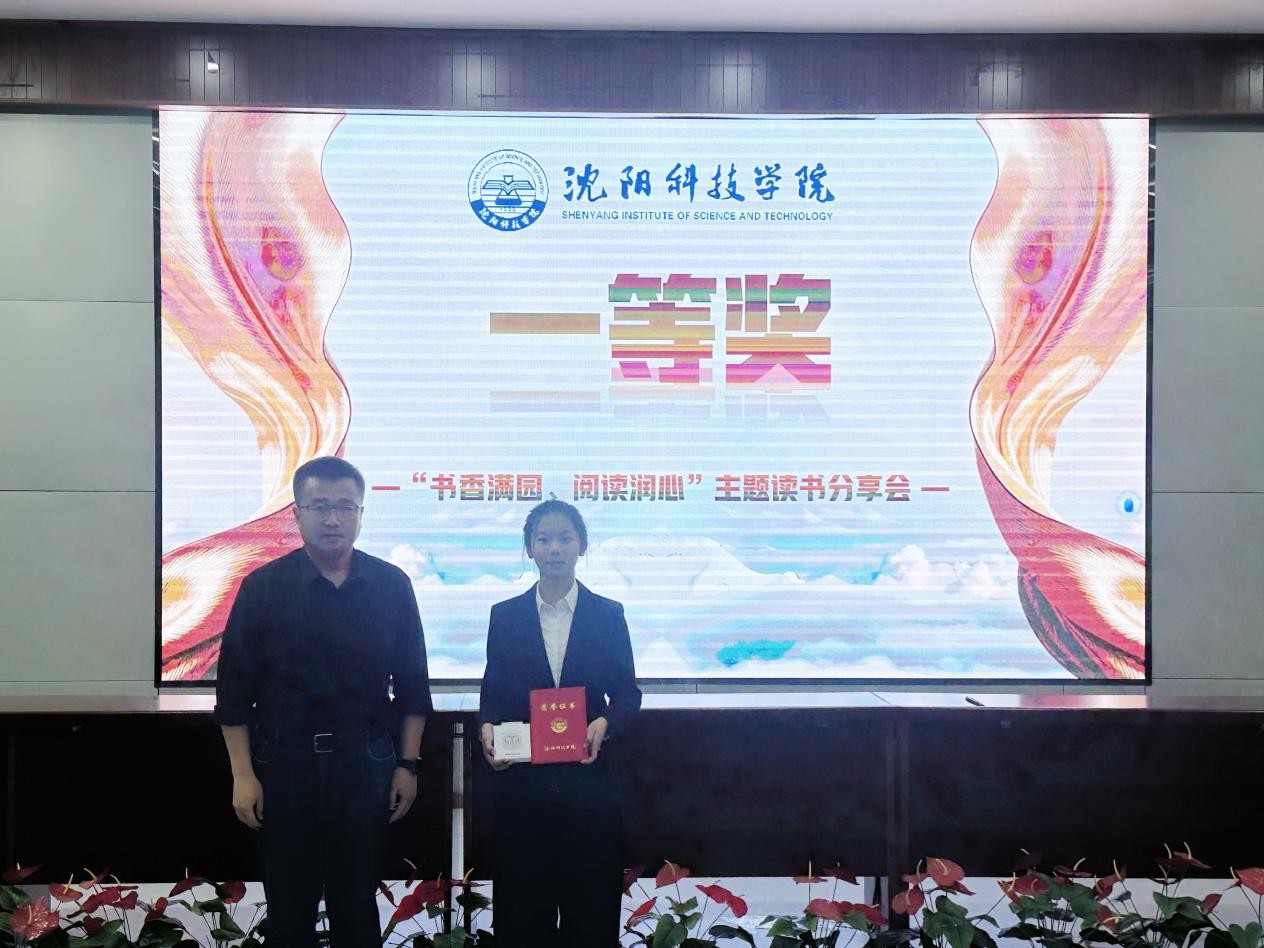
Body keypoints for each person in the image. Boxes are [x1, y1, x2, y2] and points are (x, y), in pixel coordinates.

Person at [214, 456, 433, 948]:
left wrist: (407, 765)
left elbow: (413, 689)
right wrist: (243, 775)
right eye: (319, 507)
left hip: (365, 764)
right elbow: (233, 694)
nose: (333, 519)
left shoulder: (391, 585)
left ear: (361, 513)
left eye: (345, 507)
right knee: (290, 912)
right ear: (296, 513)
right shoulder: (263, 587)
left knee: (357, 909)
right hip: (284, 766)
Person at [479, 499, 642, 948]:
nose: (554, 548)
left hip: (589, 791)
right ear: (529, 547)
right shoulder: (505, 616)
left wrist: (605, 723)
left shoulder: (607, 614)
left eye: (565, 538)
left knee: (590, 919)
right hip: (523, 793)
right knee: (521, 919)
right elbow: (493, 695)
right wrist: (487, 730)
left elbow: (628, 694)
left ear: (582, 545)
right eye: (544, 539)